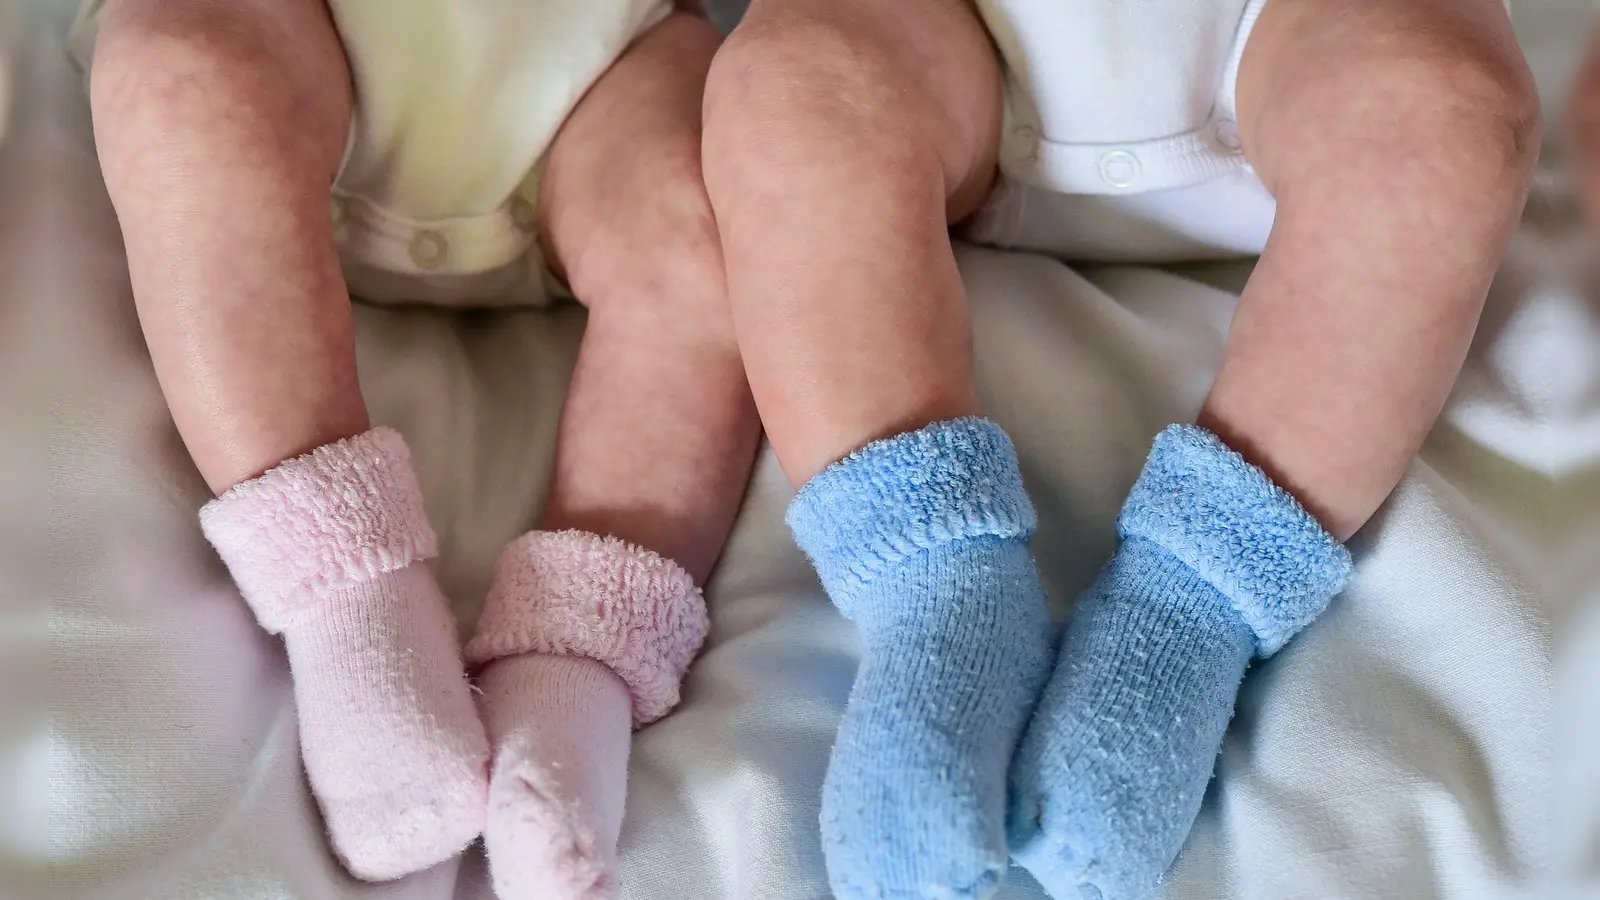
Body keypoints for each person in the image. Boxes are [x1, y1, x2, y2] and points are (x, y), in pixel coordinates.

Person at [698, 0, 1539, 897]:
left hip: (1299, 39)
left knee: (1446, 112)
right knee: (787, 87)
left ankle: (1188, 605)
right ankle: (935, 579)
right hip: (954, 41)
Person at [73, 0, 758, 896]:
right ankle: (354, 603)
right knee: (180, 76)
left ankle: (574, 670)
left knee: (721, 210)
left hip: (606, 57)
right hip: (291, 41)